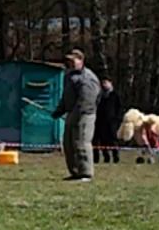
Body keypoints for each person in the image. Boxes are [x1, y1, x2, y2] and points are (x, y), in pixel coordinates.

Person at [52, 49, 101, 182]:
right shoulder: (69, 76)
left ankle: (86, 173)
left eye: (73, 61)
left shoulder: (88, 78)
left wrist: (74, 115)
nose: (70, 64)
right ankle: (75, 172)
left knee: (81, 143)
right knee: (68, 144)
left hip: (84, 115)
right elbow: (66, 97)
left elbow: (86, 101)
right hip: (71, 114)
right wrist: (59, 111)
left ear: (81, 60)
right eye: (68, 61)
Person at [94, 77, 122, 163]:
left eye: (106, 83)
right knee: (102, 141)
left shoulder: (115, 95)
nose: (104, 85)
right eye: (102, 83)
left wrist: (117, 119)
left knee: (113, 140)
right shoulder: (100, 95)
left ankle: (116, 157)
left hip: (111, 122)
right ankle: (105, 157)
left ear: (110, 83)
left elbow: (119, 108)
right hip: (100, 121)